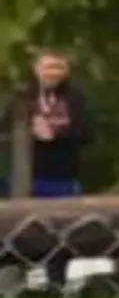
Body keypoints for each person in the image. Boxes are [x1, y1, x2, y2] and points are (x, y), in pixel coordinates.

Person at [22, 50, 93, 198]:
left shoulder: (74, 97)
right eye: (49, 67)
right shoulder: (24, 97)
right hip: (26, 176)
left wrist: (55, 134)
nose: (53, 72)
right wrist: (32, 132)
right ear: (36, 69)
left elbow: (86, 134)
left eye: (59, 67)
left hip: (63, 177)